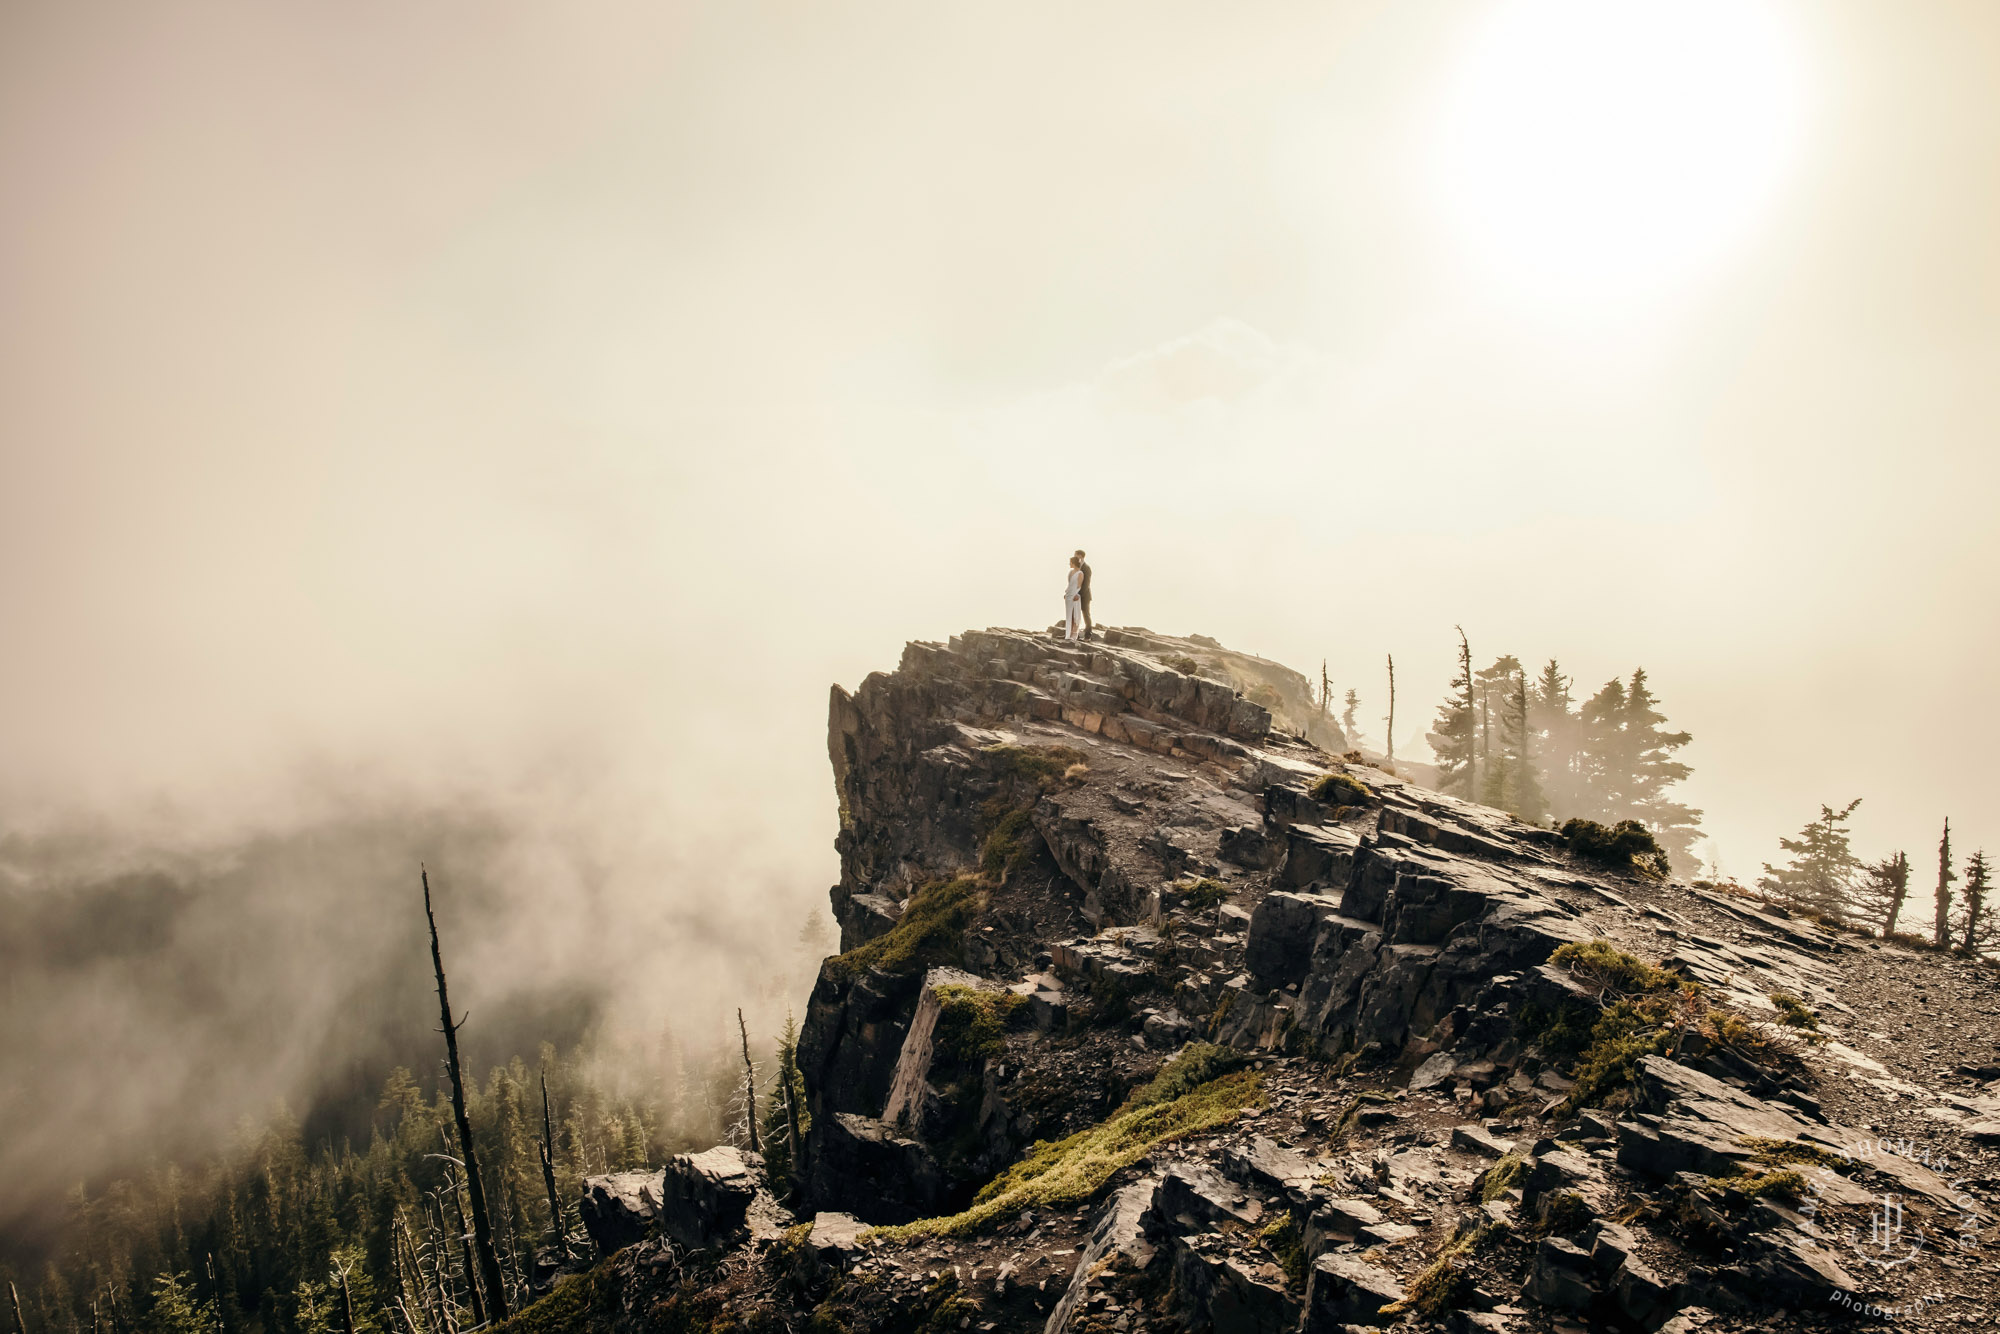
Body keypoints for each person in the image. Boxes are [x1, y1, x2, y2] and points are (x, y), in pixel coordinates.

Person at [1062, 555, 1084, 642]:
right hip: (1068, 595)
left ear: (1073, 563)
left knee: (1075, 614)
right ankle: (1068, 634)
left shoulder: (1080, 573)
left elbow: (1079, 586)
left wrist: (1077, 595)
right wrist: (1066, 593)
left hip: (1075, 595)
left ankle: (1074, 634)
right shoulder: (1070, 572)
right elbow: (1070, 584)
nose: (1069, 564)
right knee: (1068, 615)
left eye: (1070, 562)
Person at [1073, 549, 1093, 640]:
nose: (1074, 557)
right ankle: (1073, 635)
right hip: (1076, 595)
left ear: (1080, 556)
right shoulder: (1076, 567)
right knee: (1074, 614)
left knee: (1086, 615)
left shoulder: (1086, 568)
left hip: (1084, 596)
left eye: (1075, 555)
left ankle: (1088, 636)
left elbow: (1086, 584)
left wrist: (1079, 594)